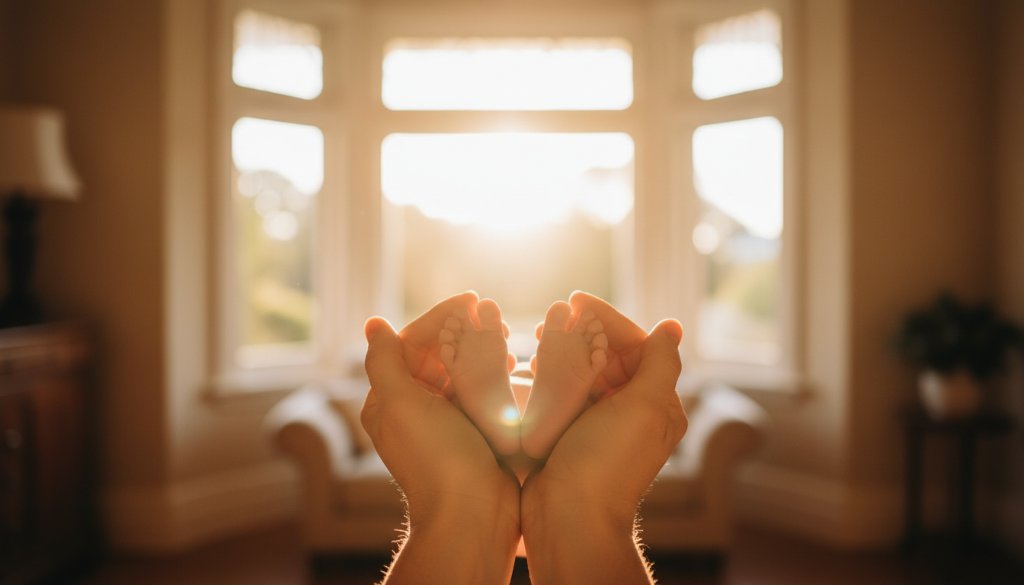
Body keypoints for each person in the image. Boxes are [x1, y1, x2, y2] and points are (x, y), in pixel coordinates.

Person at [361, 291, 687, 584]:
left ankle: (495, 430)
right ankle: (551, 432)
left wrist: (455, 495)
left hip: (481, 458)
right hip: (562, 464)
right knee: (568, 489)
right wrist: (589, 499)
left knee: (476, 481)